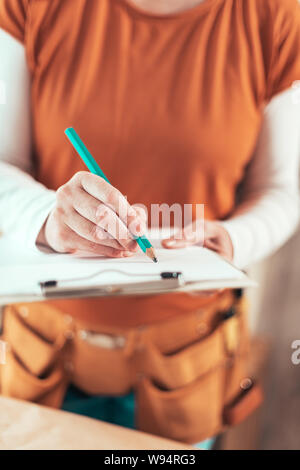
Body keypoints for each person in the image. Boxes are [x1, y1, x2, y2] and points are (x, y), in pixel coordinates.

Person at [0, 0, 300, 449]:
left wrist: (233, 238)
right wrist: (48, 218)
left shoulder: (277, 16)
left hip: (187, 364)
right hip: (41, 353)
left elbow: (280, 189)